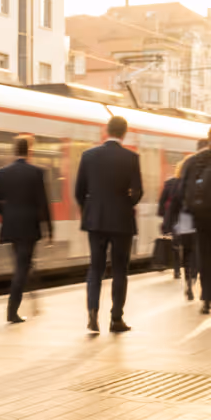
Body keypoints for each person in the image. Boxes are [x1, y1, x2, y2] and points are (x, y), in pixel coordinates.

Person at [75, 115, 142, 333]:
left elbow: (79, 191)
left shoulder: (88, 156)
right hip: (122, 220)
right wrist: (125, 203)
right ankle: (116, 319)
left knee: (96, 268)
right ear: (124, 133)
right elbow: (138, 191)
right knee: (120, 269)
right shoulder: (131, 158)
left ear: (106, 131)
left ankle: (92, 314)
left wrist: (90, 210)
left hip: (95, 220)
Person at [0, 135, 53, 323]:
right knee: (21, 268)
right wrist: (49, 230)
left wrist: (7, 213)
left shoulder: (2, 172)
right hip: (29, 227)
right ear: (30, 150)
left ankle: (26, 302)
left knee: (22, 263)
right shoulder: (37, 172)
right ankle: (12, 311)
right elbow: (43, 204)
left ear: (14, 150)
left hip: (11, 227)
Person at [180, 131, 211, 314]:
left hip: (201, 216)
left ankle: (207, 298)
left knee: (205, 255)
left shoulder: (192, 161)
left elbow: (182, 191)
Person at [163, 157, 198, 300]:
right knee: (199, 253)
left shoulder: (179, 183)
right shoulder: (200, 180)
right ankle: (195, 279)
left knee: (188, 253)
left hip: (185, 221)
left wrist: (167, 224)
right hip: (200, 221)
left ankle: (189, 284)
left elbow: (173, 205)